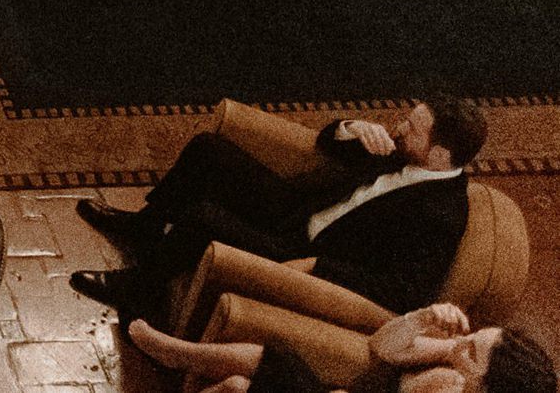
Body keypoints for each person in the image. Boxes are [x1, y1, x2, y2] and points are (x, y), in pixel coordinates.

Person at [68, 98, 489, 315]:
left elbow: (407, 292)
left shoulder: (442, 216)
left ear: (440, 156)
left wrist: (319, 268)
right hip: (295, 208)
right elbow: (327, 142)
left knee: (203, 218)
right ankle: (146, 226)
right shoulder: (402, 150)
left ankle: (142, 291)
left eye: (412, 129)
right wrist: (351, 129)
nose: (398, 128)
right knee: (208, 150)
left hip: (303, 253)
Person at [124, 303, 553, 393]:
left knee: (238, 388)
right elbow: (384, 347)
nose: (462, 346)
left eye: (472, 353)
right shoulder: (456, 364)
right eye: (474, 336)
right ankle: (174, 353)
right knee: (272, 363)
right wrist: (422, 318)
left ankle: (174, 357)